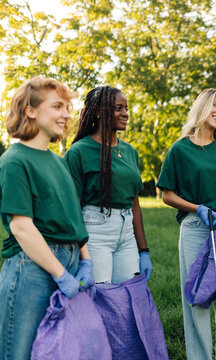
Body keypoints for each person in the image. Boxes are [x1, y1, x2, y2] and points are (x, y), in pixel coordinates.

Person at [0, 77, 92, 359]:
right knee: (21, 351)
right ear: (30, 110)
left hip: (70, 263)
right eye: (57, 106)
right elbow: (21, 227)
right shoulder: (15, 160)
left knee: (60, 350)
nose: (66, 114)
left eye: (67, 107)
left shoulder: (58, 162)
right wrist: (60, 274)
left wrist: (86, 260)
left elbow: (75, 219)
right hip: (33, 268)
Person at [157, 88, 216, 360]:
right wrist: (197, 208)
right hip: (196, 229)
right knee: (197, 301)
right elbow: (167, 195)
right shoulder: (180, 149)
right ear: (203, 106)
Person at [64, 86, 152, 284]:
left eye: (126, 108)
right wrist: (80, 251)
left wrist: (143, 251)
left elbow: (135, 204)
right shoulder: (79, 152)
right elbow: (73, 208)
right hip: (95, 232)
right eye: (118, 108)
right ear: (98, 111)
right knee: (99, 297)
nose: (125, 114)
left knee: (127, 296)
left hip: (127, 233)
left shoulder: (130, 152)